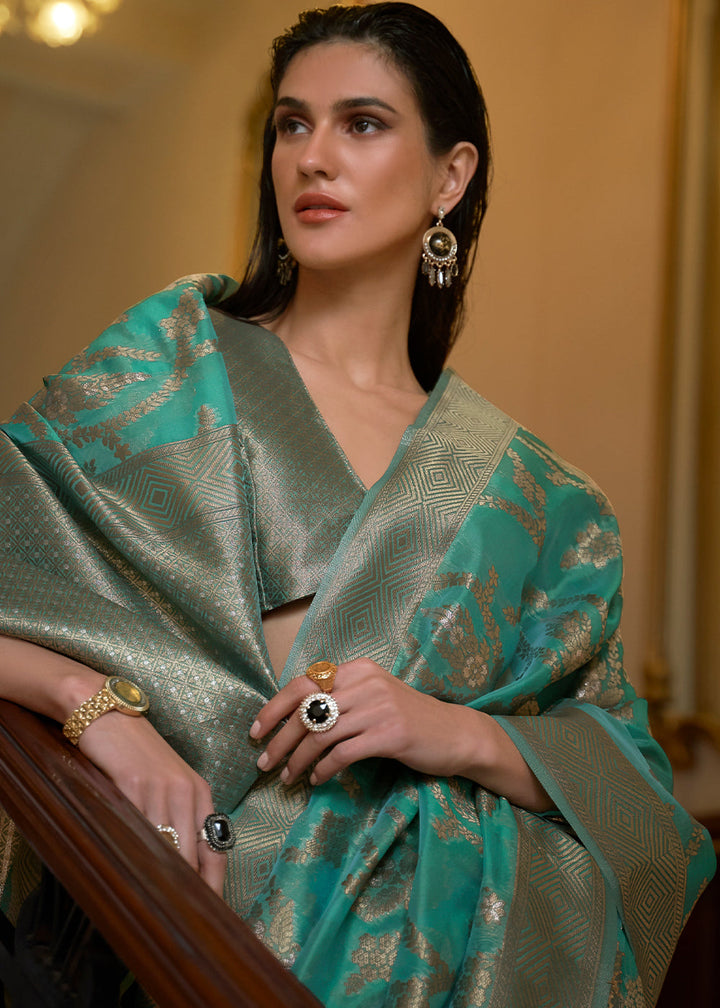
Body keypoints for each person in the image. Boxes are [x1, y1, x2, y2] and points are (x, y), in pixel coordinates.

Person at [0, 3, 714, 1006]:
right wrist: (97, 710)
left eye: (362, 123)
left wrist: (452, 731)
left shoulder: (542, 502)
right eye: (292, 124)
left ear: (450, 177)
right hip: (169, 937)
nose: (313, 157)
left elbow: (640, 809)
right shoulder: (171, 364)